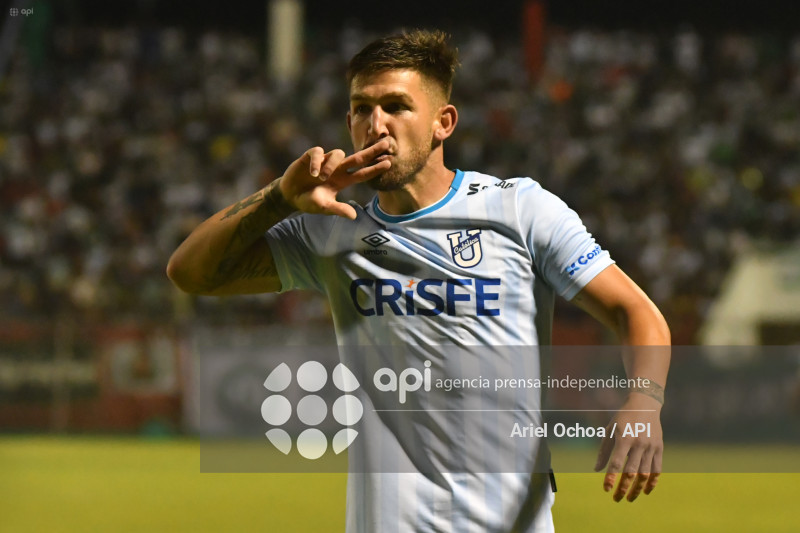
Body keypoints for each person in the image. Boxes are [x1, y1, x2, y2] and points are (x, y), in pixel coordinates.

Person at [167, 29, 670, 533]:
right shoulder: (333, 233)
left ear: (442, 122)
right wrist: (279, 197)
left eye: (396, 106)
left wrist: (645, 402)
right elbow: (190, 272)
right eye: (361, 109)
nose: (376, 124)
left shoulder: (519, 211)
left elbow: (636, 312)